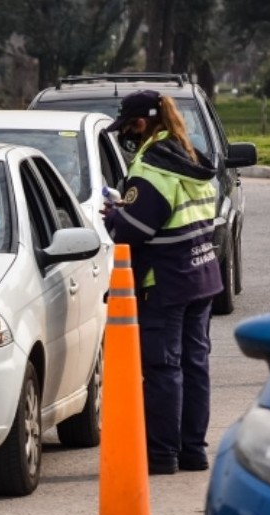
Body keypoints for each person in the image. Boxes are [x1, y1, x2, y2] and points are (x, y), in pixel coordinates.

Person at [103, 89, 222, 475]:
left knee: (163, 367)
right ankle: (193, 451)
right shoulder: (190, 157)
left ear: (142, 123)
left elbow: (132, 231)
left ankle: (161, 455)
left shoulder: (152, 167)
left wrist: (113, 214)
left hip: (166, 281)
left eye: (130, 127)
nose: (128, 135)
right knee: (194, 365)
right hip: (202, 276)